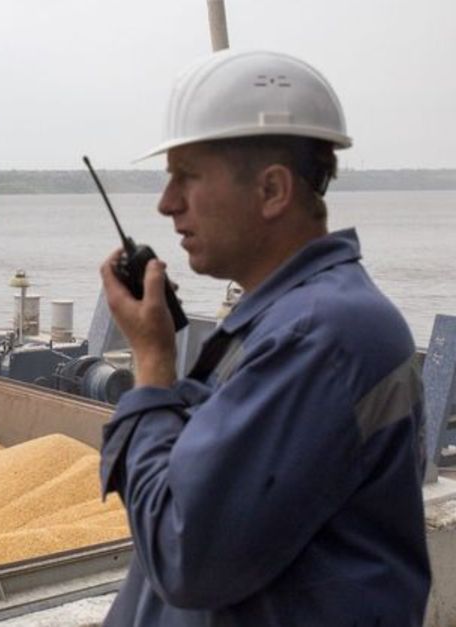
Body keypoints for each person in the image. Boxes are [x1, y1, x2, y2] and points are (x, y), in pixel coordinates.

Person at [98, 49, 431, 625]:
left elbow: (186, 555)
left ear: (273, 191)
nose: (166, 202)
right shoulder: (288, 319)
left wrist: (152, 367)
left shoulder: (322, 335)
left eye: (188, 176)